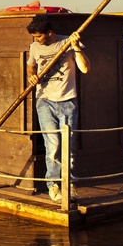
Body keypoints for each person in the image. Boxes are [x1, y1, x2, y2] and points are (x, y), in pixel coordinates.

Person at [25, 15, 89, 203]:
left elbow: (85, 68)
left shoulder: (68, 42)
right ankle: (53, 183)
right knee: (52, 145)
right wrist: (32, 76)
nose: (36, 40)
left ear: (49, 33)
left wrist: (76, 47)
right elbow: (31, 67)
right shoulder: (35, 47)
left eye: (39, 36)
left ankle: (69, 183)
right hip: (44, 100)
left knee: (68, 146)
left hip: (67, 100)